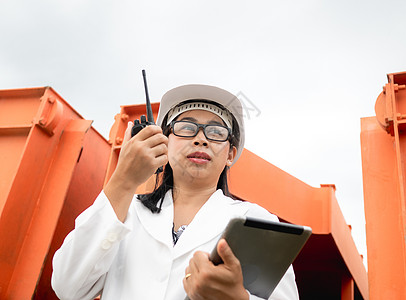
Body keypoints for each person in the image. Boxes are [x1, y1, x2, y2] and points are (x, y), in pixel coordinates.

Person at [51, 84, 299, 300]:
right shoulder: (125, 209)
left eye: (215, 132)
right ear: (165, 142)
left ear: (230, 154)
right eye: (187, 127)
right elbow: (68, 287)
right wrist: (123, 181)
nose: (201, 139)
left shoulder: (257, 222)